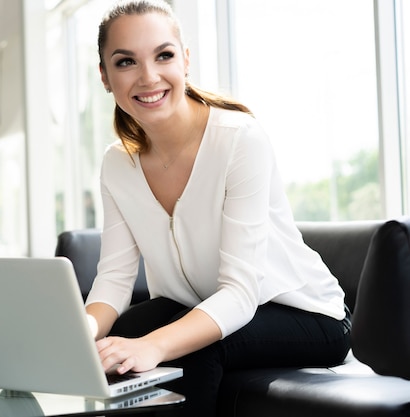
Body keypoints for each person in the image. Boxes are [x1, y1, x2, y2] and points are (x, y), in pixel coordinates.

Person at [84, 2, 351, 416]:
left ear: (185, 60)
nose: (148, 76)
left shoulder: (238, 140)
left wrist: (155, 345)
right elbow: (114, 279)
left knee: (191, 347)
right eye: (126, 62)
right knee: (117, 339)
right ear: (105, 76)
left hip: (306, 317)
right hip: (199, 303)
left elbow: (241, 294)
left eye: (164, 55)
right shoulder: (117, 163)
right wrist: (80, 334)